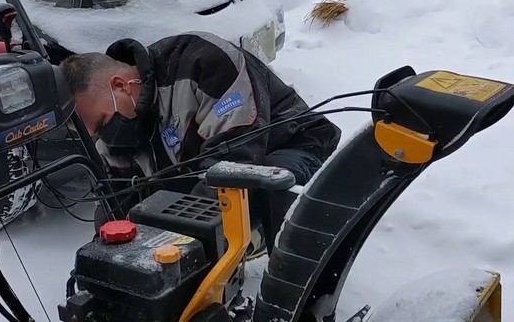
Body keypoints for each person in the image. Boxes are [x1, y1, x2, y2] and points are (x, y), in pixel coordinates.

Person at [59, 31, 341, 258]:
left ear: (120, 85)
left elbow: (236, 161)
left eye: (104, 121)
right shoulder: (116, 129)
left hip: (289, 146)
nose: (105, 136)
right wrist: (108, 260)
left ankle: (292, 286)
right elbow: (118, 199)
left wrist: (177, 246)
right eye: (96, 133)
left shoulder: (202, 62)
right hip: (200, 175)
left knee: (271, 184)